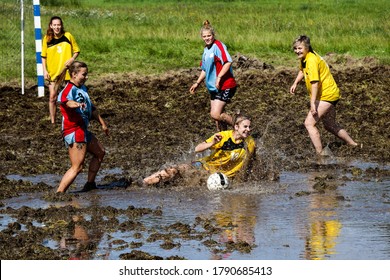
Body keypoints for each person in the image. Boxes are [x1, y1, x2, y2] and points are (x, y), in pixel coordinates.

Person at [289, 35, 358, 155]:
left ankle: (320, 155)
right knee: (329, 125)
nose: (297, 51)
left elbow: (315, 83)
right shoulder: (306, 57)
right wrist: (295, 82)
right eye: (295, 48)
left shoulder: (311, 60)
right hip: (331, 93)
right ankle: (354, 145)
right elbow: (302, 69)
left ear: (307, 47)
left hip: (327, 95)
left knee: (309, 123)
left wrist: (313, 103)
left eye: (299, 48)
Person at [141, 113, 255, 186]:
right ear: (236, 127)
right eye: (245, 127)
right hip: (203, 167)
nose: (248, 130)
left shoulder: (250, 143)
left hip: (221, 177)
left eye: (250, 127)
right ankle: (144, 183)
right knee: (174, 171)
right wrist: (212, 143)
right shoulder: (223, 136)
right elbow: (197, 148)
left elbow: (250, 161)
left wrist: (243, 179)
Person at [55, 61, 109, 193]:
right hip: (73, 130)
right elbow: (65, 101)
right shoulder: (68, 89)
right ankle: (59, 193)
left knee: (100, 152)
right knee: (77, 167)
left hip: (82, 129)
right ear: (74, 74)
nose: (87, 77)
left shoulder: (83, 88)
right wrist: (73, 104)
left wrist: (102, 123)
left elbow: (92, 108)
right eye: (84, 74)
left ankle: (90, 184)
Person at [190, 20, 237, 132]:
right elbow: (205, 69)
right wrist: (197, 83)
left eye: (209, 36)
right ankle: (225, 142)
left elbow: (228, 62)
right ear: (202, 37)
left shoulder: (218, 46)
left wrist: (219, 77)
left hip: (225, 85)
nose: (207, 38)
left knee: (215, 114)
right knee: (218, 121)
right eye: (204, 36)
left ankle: (241, 126)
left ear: (213, 35)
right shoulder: (206, 50)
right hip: (213, 88)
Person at [42, 16, 80, 124]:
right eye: (54, 25)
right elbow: (43, 56)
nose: (57, 27)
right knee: (52, 97)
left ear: (61, 25)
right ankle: (53, 122)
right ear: (51, 26)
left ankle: (71, 119)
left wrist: (72, 59)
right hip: (53, 73)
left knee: (68, 97)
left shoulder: (68, 36)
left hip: (67, 73)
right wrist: (45, 71)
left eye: (58, 25)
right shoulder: (47, 39)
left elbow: (77, 50)